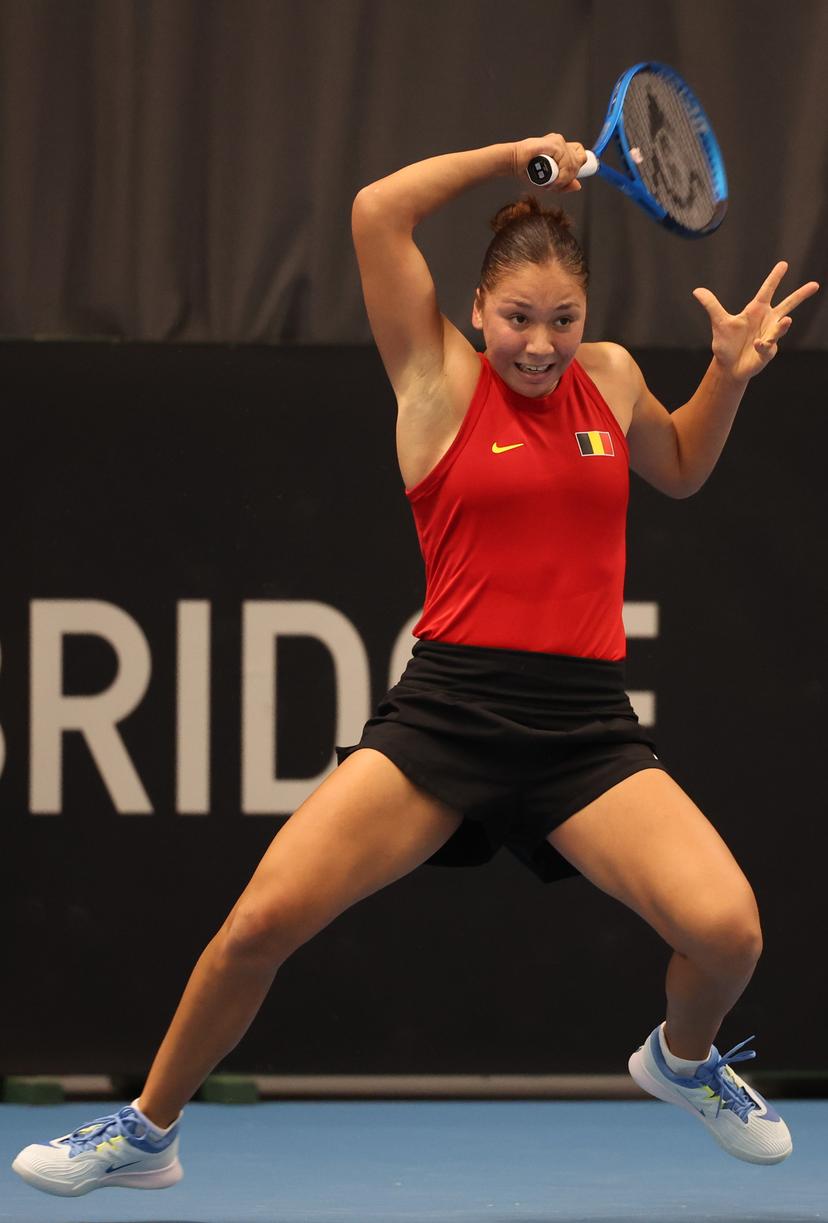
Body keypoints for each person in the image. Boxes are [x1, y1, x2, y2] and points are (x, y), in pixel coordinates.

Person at [12, 134, 819, 1197]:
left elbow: (676, 468)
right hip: (447, 714)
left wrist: (727, 376)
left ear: (589, 318)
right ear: (479, 308)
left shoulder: (613, 377)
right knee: (259, 922)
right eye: (519, 319)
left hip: (584, 728)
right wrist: (518, 160)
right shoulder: (435, 377)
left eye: (562, 320)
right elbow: (373, 212)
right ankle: (146, 1127)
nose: (540, 344)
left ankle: (681, 1059)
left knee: (727, 933)